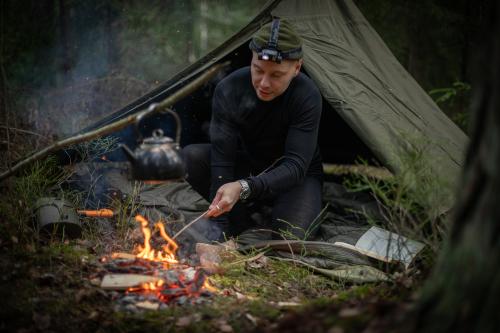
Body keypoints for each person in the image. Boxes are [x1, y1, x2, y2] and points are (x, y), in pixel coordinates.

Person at [182, 18, 323, 241]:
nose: (264, 83)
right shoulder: (229, 88)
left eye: (276, 75)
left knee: (290, 238)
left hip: (296, 178)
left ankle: (269, 213)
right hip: (250, 166)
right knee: (191, 156)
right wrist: (219, 227)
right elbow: (222, 161)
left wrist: (244, 186)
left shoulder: (307, 95)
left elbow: (296, 166)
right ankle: (242, 221)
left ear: (296, 68)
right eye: (258, 70)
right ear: (252, 59)